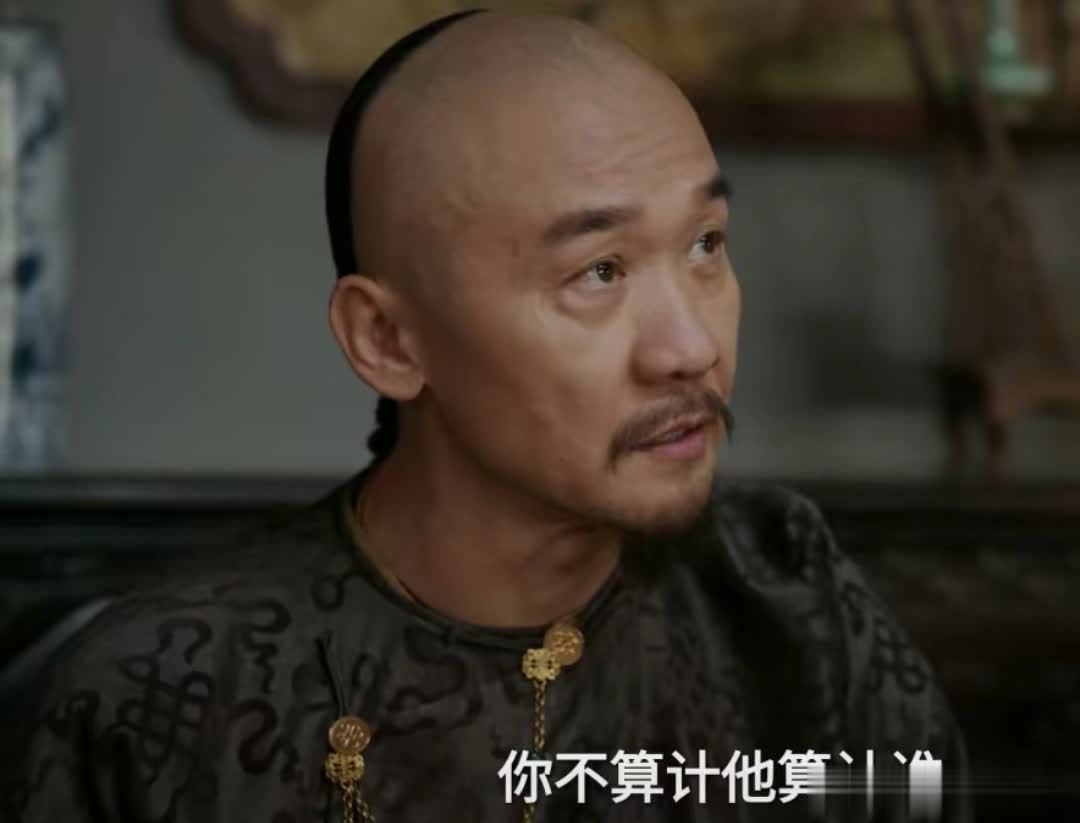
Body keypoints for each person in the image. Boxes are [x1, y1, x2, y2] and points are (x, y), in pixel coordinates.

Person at [3, 10, 970, 823]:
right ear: (388, 339)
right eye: (599, 271)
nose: (689, 347)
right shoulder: (159, 695)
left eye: (706, 245)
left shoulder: (785, 605)